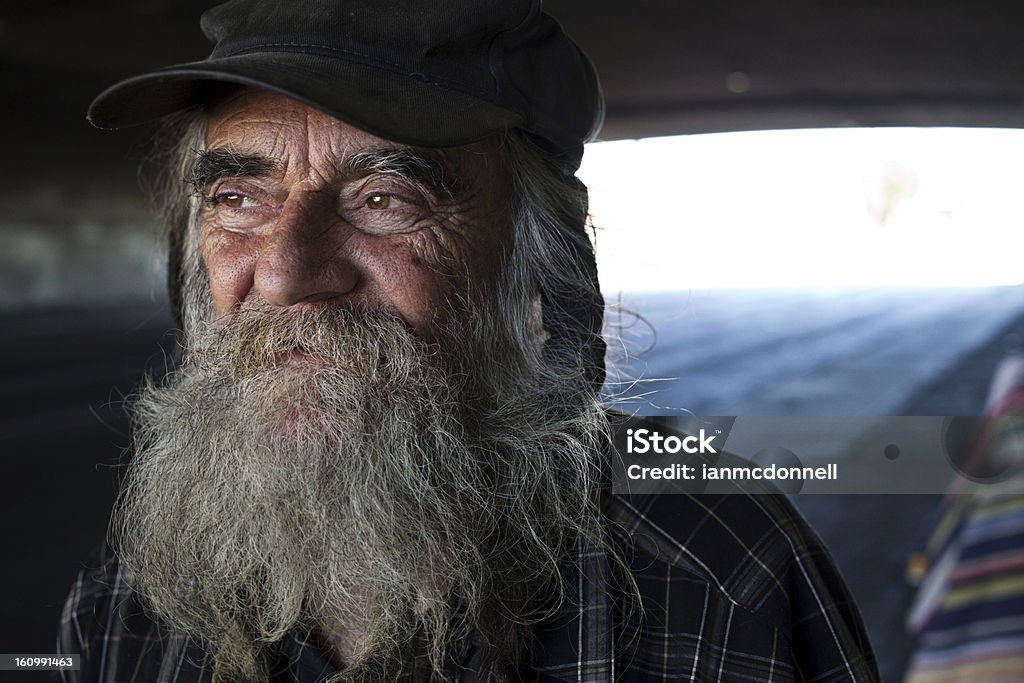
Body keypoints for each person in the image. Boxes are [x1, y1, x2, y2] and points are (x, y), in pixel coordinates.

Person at [57, 1, 880, 681]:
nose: (283, 274)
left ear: (537, 261)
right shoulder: (126, 606)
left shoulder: (719, 577)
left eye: (385, 199)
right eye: (238, 198)